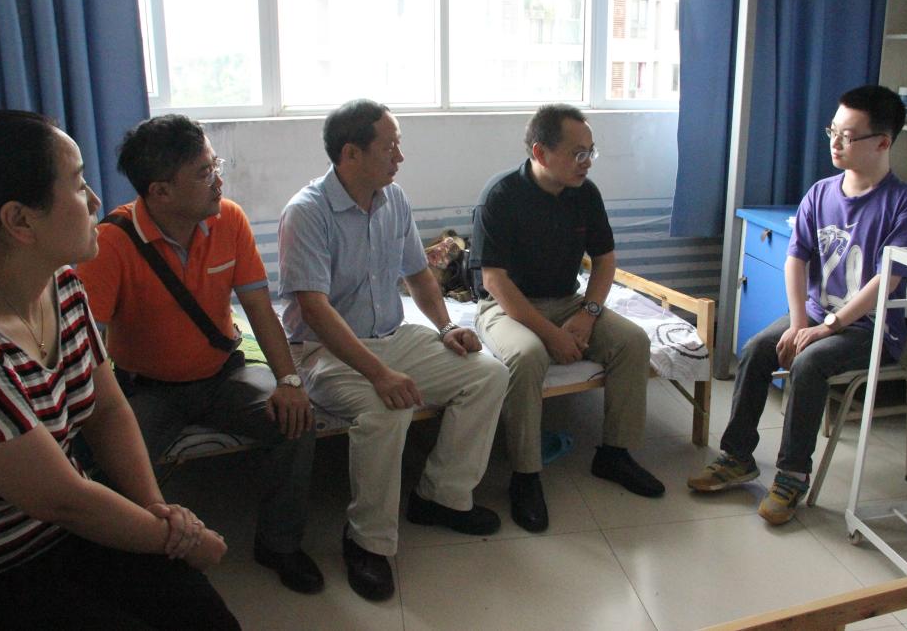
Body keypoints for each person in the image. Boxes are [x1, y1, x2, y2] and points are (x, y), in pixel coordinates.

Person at [0, 110, 239, 629]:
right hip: (6, 565)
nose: (96, 202)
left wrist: (154, 507)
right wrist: (182, 537)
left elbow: (106, 410)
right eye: (78, 184)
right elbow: (66, 501)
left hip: (73, 531)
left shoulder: (63, 287)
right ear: (20, 221)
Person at [76, 115, 323, 594]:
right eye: (205, 173)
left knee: (297, 420)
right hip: (147, 389)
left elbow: (259, 308)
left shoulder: (229, 219)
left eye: (216, 166)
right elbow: (89, 344)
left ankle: (279, 543)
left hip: (223, 374)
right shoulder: (112, 242)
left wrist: (290, 381)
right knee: (113, 463)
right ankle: (145, 557)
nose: (219, 181)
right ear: (161, 191)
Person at [278, 98, 508, 602]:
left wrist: (446, 327)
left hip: (392, 335)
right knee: (386, 411)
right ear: (351, 153)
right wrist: (379, 374)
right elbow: (315, 310)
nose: (400, 157)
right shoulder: (306, 212)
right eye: (390, 147)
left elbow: (419, 275)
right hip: (323, 350)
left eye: (398, 145)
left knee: (488, 373)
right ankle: (367, 541)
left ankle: (440, 496)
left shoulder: (393, 199)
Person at [687, 85, 907, 525]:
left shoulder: (904, 204)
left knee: (809, 363)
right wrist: (800, 323)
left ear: (883, 142)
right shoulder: (820, 193)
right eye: (832, 131)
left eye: (848, 136)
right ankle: (737, 456)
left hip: (871, 328)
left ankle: (793, 474)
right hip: (817, 315)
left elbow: (886, 282)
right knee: (757, 348)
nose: (835, 143)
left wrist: (826, 328)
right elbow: (796, 258)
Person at [471, 103, 665, 535]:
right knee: (526, 356)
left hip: (566, 300)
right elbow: (494, 280)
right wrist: (551, 336)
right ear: (540, 153)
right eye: (578, 153)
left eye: (591, 151)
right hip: (507, 305)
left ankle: (614, 454)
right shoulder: (500, 195)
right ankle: (525, 475)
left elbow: (605, 260)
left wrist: (588, 314)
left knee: (632, 341)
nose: (587, 162)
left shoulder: (585, 194)